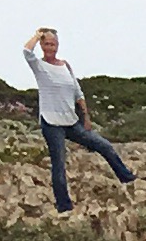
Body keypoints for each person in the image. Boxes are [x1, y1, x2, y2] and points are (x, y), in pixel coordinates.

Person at [23, 31, 133, 210]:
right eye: (47, 44)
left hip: (71, 121)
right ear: (42, 46)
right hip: (51, 122)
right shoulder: (39, 66)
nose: (50, 48)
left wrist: (86, 117)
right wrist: (37, 35)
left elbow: (78, 93)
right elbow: (27, 51)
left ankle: (127, 178)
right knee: (59, 164)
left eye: (53, 44)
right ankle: (64, 206)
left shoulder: (65, 66)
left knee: (104, 145)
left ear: (57, 45)